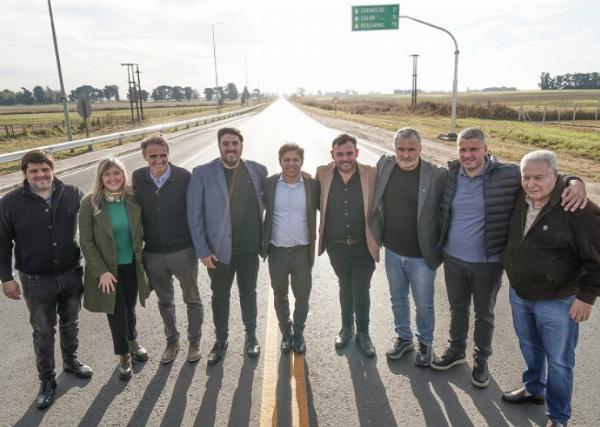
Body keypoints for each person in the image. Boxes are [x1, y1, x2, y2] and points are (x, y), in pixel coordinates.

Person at [432, 127, 587, 389]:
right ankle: (456, 350)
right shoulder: (450, 175)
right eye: (462, 149)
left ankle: (481, 360)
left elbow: (544, 176)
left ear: (485, 149)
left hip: (488, 262)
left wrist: (575, 182)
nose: (467, 155)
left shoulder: (508, 174)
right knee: (457, 308)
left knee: (484, 314)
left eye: (473, 149)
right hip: (453, 259)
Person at [501, 150, 600, 427]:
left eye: (539, 177)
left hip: (558, 300)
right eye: (526, 177)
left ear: (555, 176)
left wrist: (587, 297)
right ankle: (534, 388)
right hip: (520, 293)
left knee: (559, 361)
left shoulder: (577, 208)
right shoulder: (520, 197)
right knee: (529, 346)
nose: (531, 184)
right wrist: (573, 179)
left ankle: (558, 417)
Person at [0, 150, 92, 409]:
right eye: (34, 171)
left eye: (45, 170)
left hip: (72, 272)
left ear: (53, 170)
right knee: (43, 332)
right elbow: (2, 243)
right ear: (25, 173)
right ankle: (47, 380)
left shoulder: (72, 193)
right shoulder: (9, 203)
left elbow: (93, 226)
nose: (40, 175)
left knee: (71, 323)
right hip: (35, 279)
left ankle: (71, 362)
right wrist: (6, 278)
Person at [187, 127, 267, 366]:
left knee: (249, 293)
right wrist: (203, 251)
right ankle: (221, 341)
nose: (230, 148)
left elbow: (273, 194)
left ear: (241, 145)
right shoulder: (202, 173)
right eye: (226, 144)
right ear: (219, 146)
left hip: (250, 249)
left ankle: (251, 336)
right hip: (218, 252)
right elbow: (194, 215)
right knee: (220, 296)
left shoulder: (258, 170)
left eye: (235, 143)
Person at [370, 127, 447, 366]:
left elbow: (448, 208)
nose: (405, 154)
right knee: (398, 299)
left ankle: (426, 343)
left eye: (411, 149)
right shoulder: (385, 165)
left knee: (424, 304)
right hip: (392, 250)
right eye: (400, 149)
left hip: (421, 255)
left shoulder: (436, 174)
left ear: (421, 149)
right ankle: (404, 338)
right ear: (394, 149)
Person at [132, 134, 203, 364]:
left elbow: (196, 211)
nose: (159, 160)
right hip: (153, 253)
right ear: (144, 156)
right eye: (153, 156)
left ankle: (194, 342)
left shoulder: (184, 176)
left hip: (183, 250)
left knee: (192, 298)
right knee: (165, 301)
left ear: (168, 154)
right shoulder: (138, 177)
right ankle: (172, 342)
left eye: (163, 155)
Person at [79, 157, 151, 381]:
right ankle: (123, 354)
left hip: (131, 264)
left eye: (117, 173)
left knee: (129, 307)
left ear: (123, 175)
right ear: (101, 178)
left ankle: (133, 340)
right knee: (115, 311)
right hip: (108, 271)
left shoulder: (132, 198)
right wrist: (102, 271)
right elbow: (86, 242)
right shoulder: (90, 203)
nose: (113, 178)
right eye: (107, 174)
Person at [316, 133, 379, 357]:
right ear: (332, 155)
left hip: (363, 246)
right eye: (340, 154)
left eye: (349, 153)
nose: (345, 158)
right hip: (336, 246)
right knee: (344, 286)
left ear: (357, 153)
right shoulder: (322, 174)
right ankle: (346, 328)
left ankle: (363, 334)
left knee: (361, 289)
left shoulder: (371, 174)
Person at [262, 143, 320, 354]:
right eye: (286, 160)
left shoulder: (312, 185)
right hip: (276, 250)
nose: (291, 164)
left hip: (302, 251)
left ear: (302, 161)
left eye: (296, 159)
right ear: (280, 161)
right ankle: (286, 332)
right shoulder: (269, 184)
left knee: (302, 296)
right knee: (280, 295)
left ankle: (299, 333)